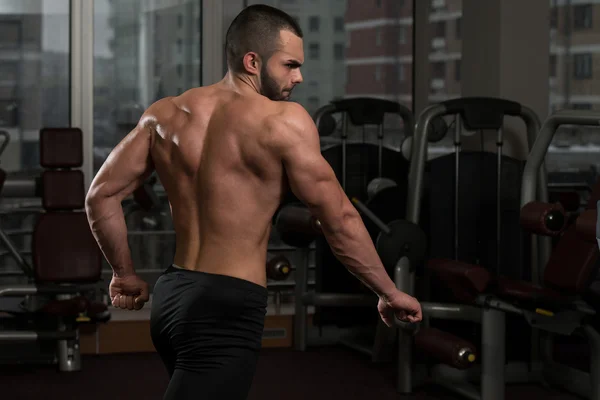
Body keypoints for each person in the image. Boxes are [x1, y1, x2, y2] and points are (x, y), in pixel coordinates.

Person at [85, 4, 422, 399]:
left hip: (172, 295)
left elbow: (101, 194)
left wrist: (124, 274)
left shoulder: (165, 114)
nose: (298, 77)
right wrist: (388, 291)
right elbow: (341, 218)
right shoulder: (284, 122)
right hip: (226, 305)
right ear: (252, 61)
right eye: (290, 64)